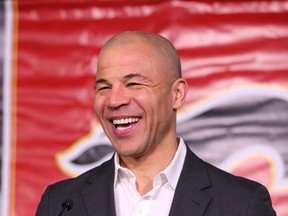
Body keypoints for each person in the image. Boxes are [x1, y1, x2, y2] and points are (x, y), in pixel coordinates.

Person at [36, 31, 276, 216]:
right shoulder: (60, 203)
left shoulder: (242, 204)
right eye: (104, 87)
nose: (115, 100)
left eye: (134, 84)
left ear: (177, 94)